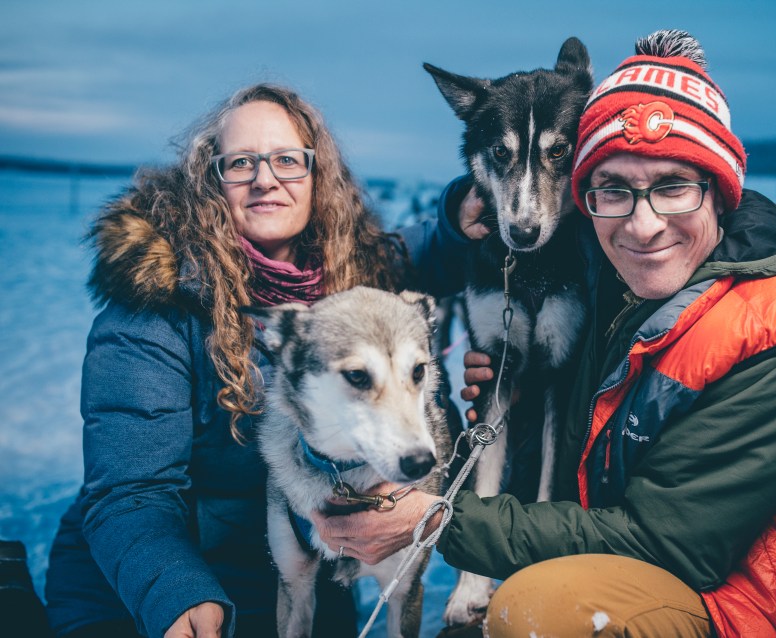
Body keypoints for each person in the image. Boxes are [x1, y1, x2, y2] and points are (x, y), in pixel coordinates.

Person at [314, 30, 776, 637]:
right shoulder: (632, 284)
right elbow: (581, 443)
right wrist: (465, 213)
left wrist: (439, 521)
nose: (642, 225)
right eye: (614, 189)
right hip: (657, 576)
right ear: (590, 198)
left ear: (720, 189)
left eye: (672, 186)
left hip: (763, 612)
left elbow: (667, 541)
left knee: (541, 607)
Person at [42, 83, 470, 638]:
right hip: (147, 581)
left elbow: (423, 246)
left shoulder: (351, 274)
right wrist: (173, 589)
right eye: (241, 162)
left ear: (318, 180)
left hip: (297, 569)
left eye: (288, 160)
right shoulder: (154, 308)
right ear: (211, 181)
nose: (265, 178)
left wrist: (463, 215)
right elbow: (130, 493)